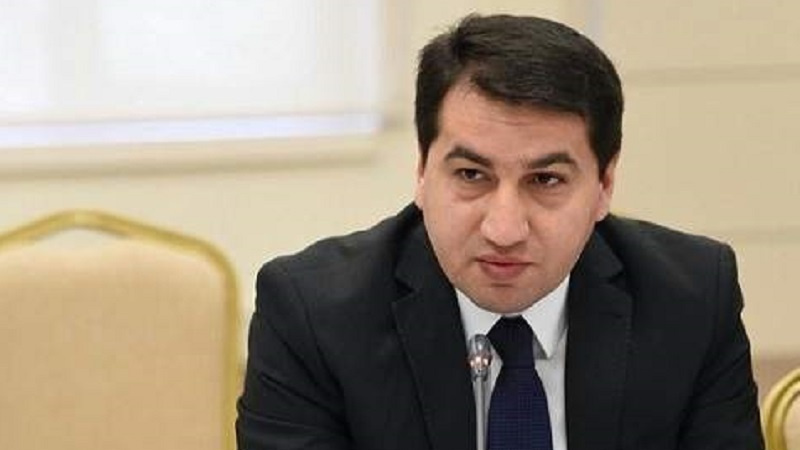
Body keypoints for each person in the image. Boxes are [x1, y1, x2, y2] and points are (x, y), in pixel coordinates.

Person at [236, 14, 764, 450]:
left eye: (546, 180)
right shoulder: (313, 315)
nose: (504, 229)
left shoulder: (692, 299)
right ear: (421, 170)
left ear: (604, 184)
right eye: (471, 175)